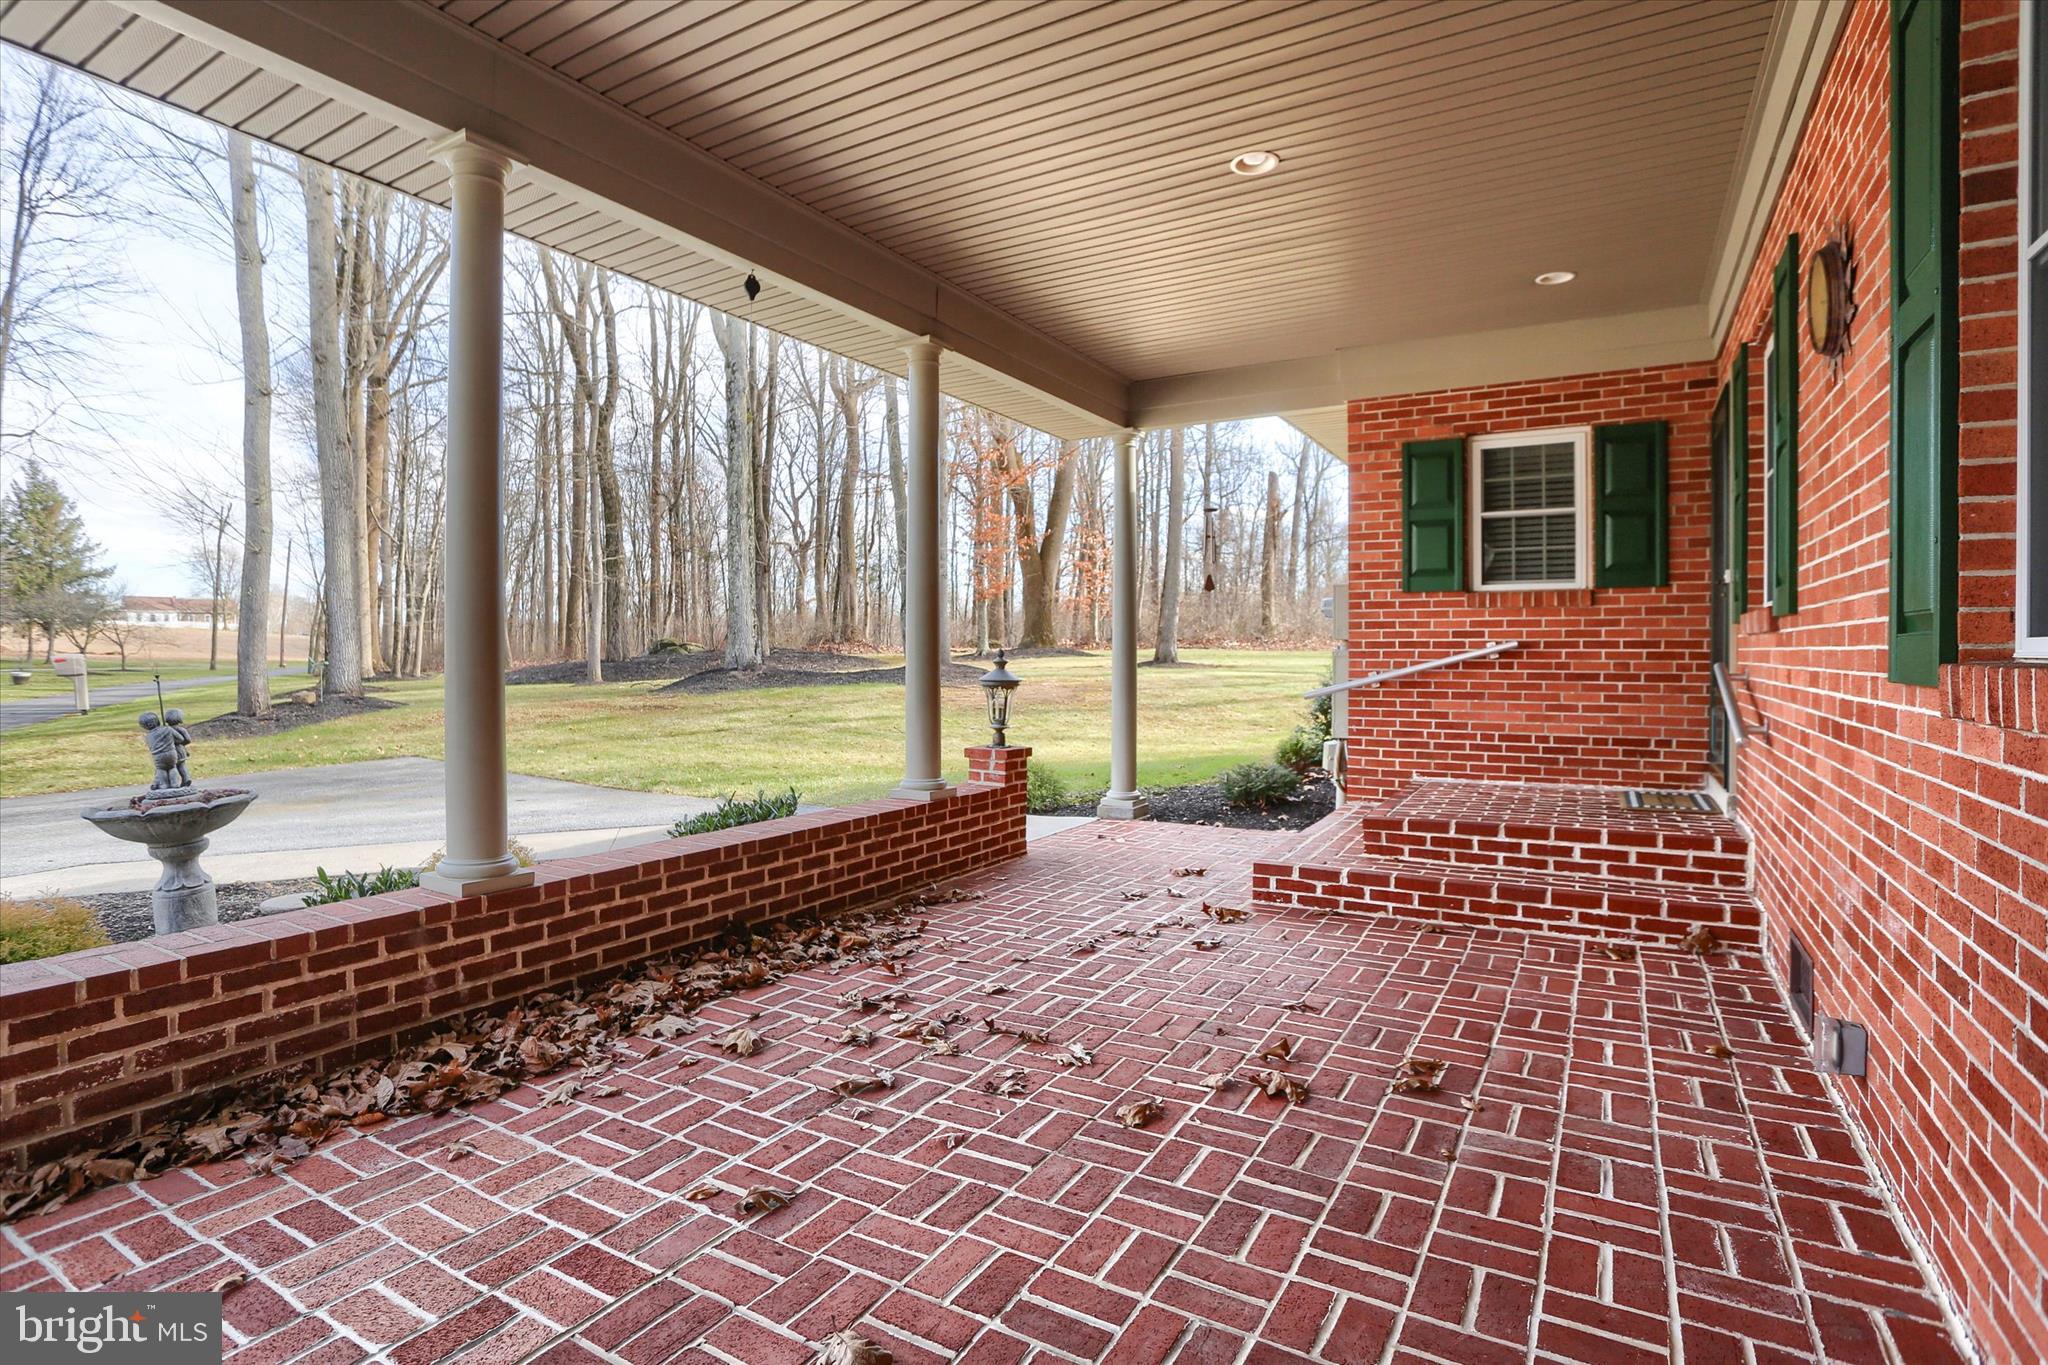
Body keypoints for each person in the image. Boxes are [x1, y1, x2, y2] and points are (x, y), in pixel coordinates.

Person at [139, 711, 192, 790]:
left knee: (161, 769)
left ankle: (163, 785)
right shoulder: (167, 729)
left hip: (158, 756)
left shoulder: (148, 737)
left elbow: (151, 747)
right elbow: (181, 739)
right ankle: (175, 784)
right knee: (173, 767)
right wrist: (170, 741)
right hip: (171, 753)